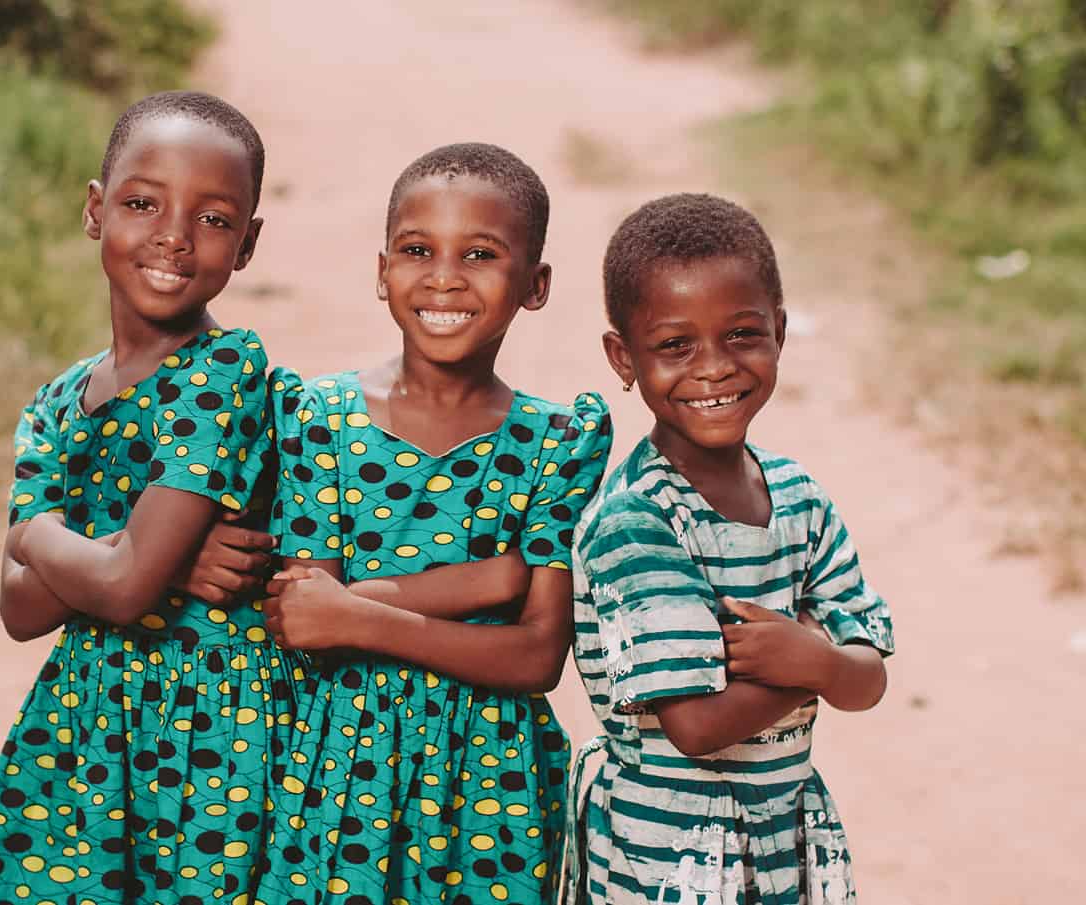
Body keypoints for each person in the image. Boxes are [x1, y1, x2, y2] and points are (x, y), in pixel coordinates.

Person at [0, 90, 289, 905]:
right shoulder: (59, 399)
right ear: (96, 211)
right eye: (143, 203)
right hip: (85, 724)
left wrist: (40, 535)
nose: (173, 235)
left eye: (213, 219)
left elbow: (118, 584)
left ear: (246, 245)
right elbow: (20, 611)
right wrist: (147, 553)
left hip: (205, 731)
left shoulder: (222, 374)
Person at [257, 143, 613, 904]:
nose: (445, 276)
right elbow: (305, 614)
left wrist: (358, 609)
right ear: (381, 271)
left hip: (496, 787)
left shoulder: (558, 441)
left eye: (480, 254)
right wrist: (491, 578)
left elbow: (536, 655)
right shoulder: (317, 417)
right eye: (418, 251)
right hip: (340, 776)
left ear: (535, 284)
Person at [566, 193, 893, 905]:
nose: (712, 368)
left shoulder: (800, 497)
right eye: (675, 344)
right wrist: (815, 666)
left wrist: (827, 661)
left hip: (785, 836)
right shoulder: (638, 520)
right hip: (670, 856)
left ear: (779, 330)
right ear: (624, 356)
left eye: (742, 333)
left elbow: (870, 678)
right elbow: (697, 724)